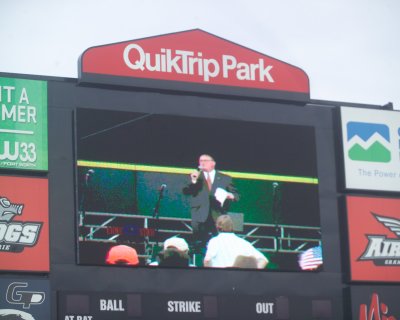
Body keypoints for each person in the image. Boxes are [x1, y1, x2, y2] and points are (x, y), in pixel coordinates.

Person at [182, 154, 239, 250]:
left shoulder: (225, 178)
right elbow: (186, 191)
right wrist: (194, 180)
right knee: (199, 244)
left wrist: (230, 195)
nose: (202, 163)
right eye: (200, 161)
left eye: (205, 160)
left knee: (220, 243)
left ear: (213, 163)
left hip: (217, 214)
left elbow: (236, 195)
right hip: (200, 215)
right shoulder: (194, 177)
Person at [203, 215, 268, 269]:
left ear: (217, 226)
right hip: (238, 281)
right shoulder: (243, 243)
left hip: (219, 280)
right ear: (232, 226)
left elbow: (207, 260)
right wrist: (252, 275)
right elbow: (264, 260)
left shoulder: (215, 241)